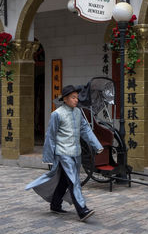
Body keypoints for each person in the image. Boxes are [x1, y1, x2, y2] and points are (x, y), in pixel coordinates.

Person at [26, 85, 103, 222]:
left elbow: (85, 130)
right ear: (65, 99)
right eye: (73, 98)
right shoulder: (57, 114)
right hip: (63, 153)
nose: (76, 100)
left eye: (76, 98)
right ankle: (82, 210)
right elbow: (50, 136)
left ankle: (55, 205)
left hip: (76, 152)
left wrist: (97, 145)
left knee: (64, 181)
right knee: (74, 181)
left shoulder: (78, 112)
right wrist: (48, 157)